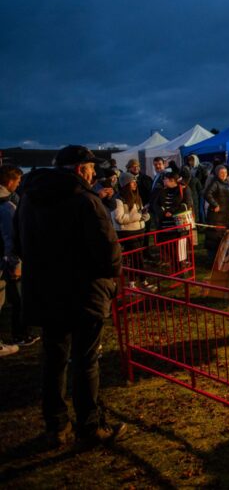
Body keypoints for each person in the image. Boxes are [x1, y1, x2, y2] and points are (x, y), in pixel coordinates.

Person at [15, 145, 126, 447]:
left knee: (53, 360)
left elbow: (18, 243)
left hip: (46, 292)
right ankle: (89, 427)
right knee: (85, 361)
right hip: (83, 293)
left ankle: (56, 426)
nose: (94, 173)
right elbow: (109, 253)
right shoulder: (85, 201)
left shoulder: (28, 200)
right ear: (80, 169)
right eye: (91, 168)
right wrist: (109, 280)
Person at [1, 165, 39, 353]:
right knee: (18, 299)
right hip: (8, 260)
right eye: (17, 181)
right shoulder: (7, 206)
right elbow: (11, 236)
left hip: (6, 258)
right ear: (9, 181)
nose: (18, 184)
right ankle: (20, 334)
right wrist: (16, 262)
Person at [112, 172, 152, 285]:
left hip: (139, 230)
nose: (135, 184)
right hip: (128, 232)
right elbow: (119, 218)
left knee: (138, 258)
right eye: (132, 182)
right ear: (125, 184)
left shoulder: (137, 197)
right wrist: (139, 216)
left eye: (135, 182)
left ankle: (140, 280)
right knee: (135, 258)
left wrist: (145, 215)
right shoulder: (118, 199)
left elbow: (141, 211)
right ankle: (135, 282)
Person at [204, 165, 229, 261]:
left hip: (225, 215)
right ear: (217, 173)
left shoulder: (227, 184)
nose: (224, 174)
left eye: (225, 173)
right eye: (221, 173)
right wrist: (214, 204)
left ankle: (220, 258)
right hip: (215, 216)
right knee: (213, 237)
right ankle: (211, 259)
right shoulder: (215, 183)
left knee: (222, 237)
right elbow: (207, 194)